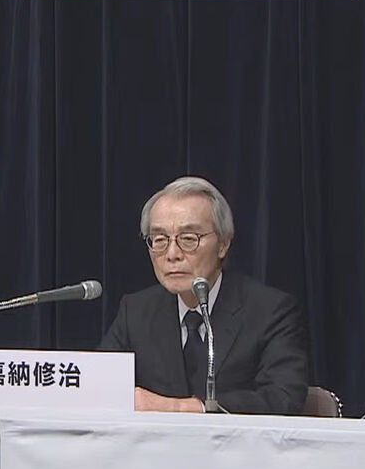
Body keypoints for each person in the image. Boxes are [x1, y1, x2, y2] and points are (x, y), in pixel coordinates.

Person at [99, 176, 309, 414]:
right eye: (159, 240)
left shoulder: (270, 311)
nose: (172, 254)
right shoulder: (136, 312)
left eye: (189, 239)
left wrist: (186, 407)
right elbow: (98, 385)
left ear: (223, 244)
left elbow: (283, 396)